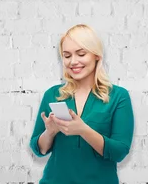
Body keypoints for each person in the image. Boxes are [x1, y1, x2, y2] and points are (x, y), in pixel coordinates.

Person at [29, 24, 134, 184]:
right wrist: (49, 132)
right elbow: (39, 149)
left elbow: (119, 152)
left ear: (96, 56)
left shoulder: (118, 96)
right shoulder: (53, 94)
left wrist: (83, 130)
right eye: (67, 55)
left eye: (81, 54)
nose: (73, 62)